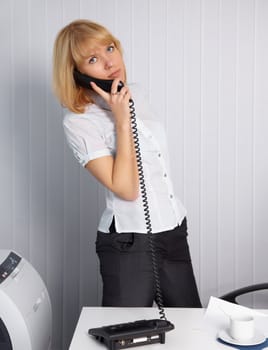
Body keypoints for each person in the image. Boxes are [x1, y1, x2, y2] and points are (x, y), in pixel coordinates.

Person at [52, 19, 201, 308]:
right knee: (126, 333)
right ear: (77, 73)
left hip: (173, 231)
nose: (109, 62)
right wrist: (121, 120)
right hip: (128, 244)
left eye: (110, 48)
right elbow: (127, 189)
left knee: (189, 329)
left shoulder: (138, 93)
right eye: (93, 59)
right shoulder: (78, 121)